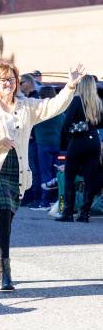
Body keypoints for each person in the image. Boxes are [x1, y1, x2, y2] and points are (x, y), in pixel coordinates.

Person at [0, 62, 83, 291]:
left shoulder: (26, 106)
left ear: (17, 82)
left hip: (17, 171)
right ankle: (6, 271)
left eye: (11, 79)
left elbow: (53, 107)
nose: (7, 83)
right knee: (0, 218)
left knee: (7, 220)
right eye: (3, 80)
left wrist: (70, 85)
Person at [56, 75, 103, 222]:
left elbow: (67, 123)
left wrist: (69, 133)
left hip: (78, 142)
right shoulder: (98, 102)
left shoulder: (77, 100)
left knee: (69, 177)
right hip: (94, 141)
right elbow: (100, 124)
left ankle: (68, 212)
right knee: (90, 178)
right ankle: (85, 213)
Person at [33, 86, 64, 210]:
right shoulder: (59, 110)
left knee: (45, 173)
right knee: (56, 173)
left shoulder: (40, 111)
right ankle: (53, 200)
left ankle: (44, 202)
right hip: (57, 144)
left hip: (43, 144)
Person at [19, 73, 41, 207]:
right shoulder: (30, 98)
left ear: (27, 83)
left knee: (32, 170)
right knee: (27, 169)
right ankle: (28, 196)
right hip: (28, 139)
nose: (19, 86)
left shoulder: (33, 99)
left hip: (32, 140)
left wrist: (31, 133)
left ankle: (34, 197)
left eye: (21, 83)